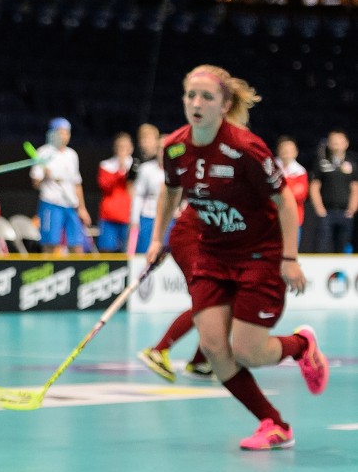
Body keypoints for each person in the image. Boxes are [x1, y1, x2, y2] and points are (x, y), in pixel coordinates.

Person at [147, 64, 328, 451]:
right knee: (214, 348)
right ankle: (274, 424)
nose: (196, 103)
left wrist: (290, 258)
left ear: (225, 105)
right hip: (213, 254)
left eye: (206, 97)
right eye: (190, 96)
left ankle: (301, 345)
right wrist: (156, 239)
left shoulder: (246, 148)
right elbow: (170, 190)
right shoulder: (175, 147)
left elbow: (285, 202)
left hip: (259, 255)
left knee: (249, 352)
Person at [137, 201, 212, 382]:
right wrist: (157, 240)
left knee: (225, 298)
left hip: (210, 241)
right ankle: (158, 351)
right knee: (207, 301)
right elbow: (168, 194)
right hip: (191, 237)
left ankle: (200, 362)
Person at [30, 117, 90, 254]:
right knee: (50, 244)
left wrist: (82, 208)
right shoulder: (43, 152)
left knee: (77, 244)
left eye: (67, 132)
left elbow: (77, 184)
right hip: (51, 204)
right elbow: (35, 183)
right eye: (60, 132)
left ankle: (76, 268)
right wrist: (45, 175)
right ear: (52, 134)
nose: (64, 136)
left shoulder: (72, 155)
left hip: (71, 205)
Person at [308, 130, 357, 253]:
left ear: (346, 143)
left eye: (339, 140)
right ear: (329, 143)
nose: (336, 143)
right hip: (327, 213)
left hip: (345, 213)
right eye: (333, 141)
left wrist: (352, 209)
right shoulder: (321, 162)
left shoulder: (352, 163)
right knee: (323, 248)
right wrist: (320, 209)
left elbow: (355, 187)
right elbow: (314, 186)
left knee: (344, 247)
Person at [95, 131, 134, 253]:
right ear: (115, 148)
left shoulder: (137, 166)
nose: (122, 150)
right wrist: (120, 170)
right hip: (109, 215)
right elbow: (105, 186)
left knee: (128, 251)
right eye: (120, 147)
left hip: (129, 216)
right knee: (106, 250)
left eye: (125, 147)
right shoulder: (106, 165)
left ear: (131, 148)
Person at [129, 124, 164, 254]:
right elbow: (137, 195)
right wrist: (134, 219)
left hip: (169, 218)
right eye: (160, 149)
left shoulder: (178, 170)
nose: (163, 152)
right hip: (148, 218)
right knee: (144, 252)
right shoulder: (145, 168)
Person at [275, 135, 308, 248]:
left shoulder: (300, 171)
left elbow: (301, 195)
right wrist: (291, 190)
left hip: (293, 218)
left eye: (289, 150)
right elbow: (266, 191)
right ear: (278, 151)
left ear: (296, 152)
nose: (286, 152)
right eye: (284, 149)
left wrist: (280, 193)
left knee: (290, 251)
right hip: (273, 218)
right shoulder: (270, 168)